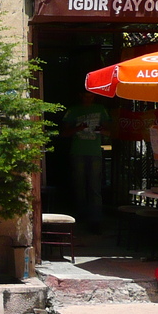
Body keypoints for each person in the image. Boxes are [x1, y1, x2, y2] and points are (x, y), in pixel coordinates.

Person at [62, 91, 110, 232]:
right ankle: (81, 216)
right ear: (80, 96)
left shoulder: (100, 110)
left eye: (91, 96)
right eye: (85, 96)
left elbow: (110, 131)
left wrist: (101, 130)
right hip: (78, 152)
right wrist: (78, 128)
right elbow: (63, 133)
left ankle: (95, 220)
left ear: (94, 97)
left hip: (95, 152)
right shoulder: (73, 110)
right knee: (79, 186)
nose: (88, 99)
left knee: (95, 187)